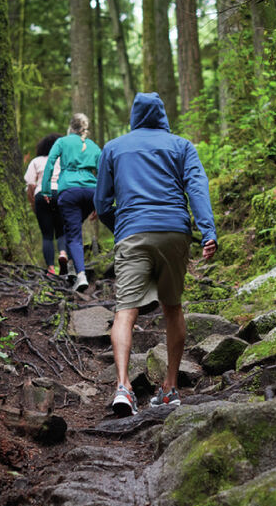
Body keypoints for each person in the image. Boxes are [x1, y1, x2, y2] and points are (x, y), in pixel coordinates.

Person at [95, 93, 218, 416]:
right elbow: (197, 186)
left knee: (125, 311)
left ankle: (123, 386)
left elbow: (101, 204)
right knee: (173, 307)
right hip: (175, 231)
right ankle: (170, 387)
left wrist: (120, 225)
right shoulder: (181, 146)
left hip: (132, 231)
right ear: (162, 115)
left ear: (134, 116)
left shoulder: (114, 148)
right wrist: (208, 231)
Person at [41, 113, 102, 292]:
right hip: (91, 192)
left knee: (74, 233)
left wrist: (46, 189)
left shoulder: (63, 142)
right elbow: (102, 173)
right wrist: (100, 201)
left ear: (70, 127)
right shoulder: (93, 146)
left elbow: (50, 163)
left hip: (69, 191)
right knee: (70, 227)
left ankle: (81, 275)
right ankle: (71, 268)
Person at [24, 133, 69, 275]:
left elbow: (30, 185)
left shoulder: (36, 161)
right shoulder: (64, 160)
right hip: (61, 193)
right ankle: (63, 253)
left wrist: (33, 203)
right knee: (62, 230)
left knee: (47, 235)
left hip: (42, 194)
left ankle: (50, 268)